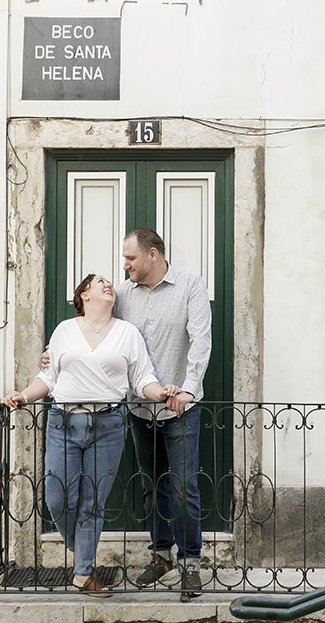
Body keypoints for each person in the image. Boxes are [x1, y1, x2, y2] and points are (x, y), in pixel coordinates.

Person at [3, 273, 180, 598]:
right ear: (83, 294)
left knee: (93, 503)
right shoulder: (65, 331)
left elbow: (142, 377)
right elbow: (49, 376)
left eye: (109, 283)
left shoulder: (128, 333)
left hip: (108, 426)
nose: (108, 284)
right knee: (58, 497)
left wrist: (161, 393)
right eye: (100, 282)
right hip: (63, 423)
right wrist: (24, 396)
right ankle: (82, 545)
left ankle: (83, 573)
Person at [117, 227, 213, 601]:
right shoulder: (123, 293)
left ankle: (190, 563)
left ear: (152, 254)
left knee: (184, 486)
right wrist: (54, 352)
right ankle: (161, 555)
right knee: (151, 486)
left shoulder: (190, 286)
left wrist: (188, 388)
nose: (125, 265)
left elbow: (201, 340)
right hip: (140, 407)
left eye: (131, 258)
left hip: (181, 410)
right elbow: (98, 330)